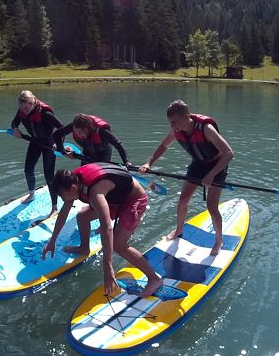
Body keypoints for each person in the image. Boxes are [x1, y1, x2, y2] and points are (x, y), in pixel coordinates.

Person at [42, 162, 162, 297]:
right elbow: (63, 214)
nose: (63, 199)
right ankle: (84, 247)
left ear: (73, 188)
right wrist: (52, 241)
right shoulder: (72, 182)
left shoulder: (94, 192)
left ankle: (154, 279)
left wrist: (108, 269)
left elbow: (107, 228)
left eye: (62, 196)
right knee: (82, 216)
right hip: (115, 198)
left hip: (133, 200)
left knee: (118, 244)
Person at [139, 99, 234, 256]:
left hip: (217, 165)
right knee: (183, 200)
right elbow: (163, 146)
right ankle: (179, 230)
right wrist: (149, 163)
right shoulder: (176, 130)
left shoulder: (206, 128)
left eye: (175, 122)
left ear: (186, 116)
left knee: (211, 206)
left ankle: (218, 241)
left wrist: (211, 175)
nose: (172, 126)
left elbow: (229, 153)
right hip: (198, 164)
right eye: (170, 122)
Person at [11, 90, 63, 219]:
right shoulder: (21, 111)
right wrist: (15, 129)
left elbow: (62, 128)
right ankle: (31, 194)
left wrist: (59, 144)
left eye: (26, 108)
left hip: (49, 144)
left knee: (49, 175)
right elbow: (14, 122)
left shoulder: (45, 113)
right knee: (28, 169)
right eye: (22, 109)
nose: (24, 111)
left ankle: (55, 207)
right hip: (34, 142)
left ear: (32, 103)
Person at [53, 113, 131, 167]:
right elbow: (57, 135)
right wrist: (61, 149)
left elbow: (118, 145)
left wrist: (126, 162)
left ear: (87, 128)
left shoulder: (102, 131)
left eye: (80, 132)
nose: (78, 135)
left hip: (103, 154)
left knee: (99, 177)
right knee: (83, 176)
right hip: (87, 153)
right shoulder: (74, 126)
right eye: (76, 132)